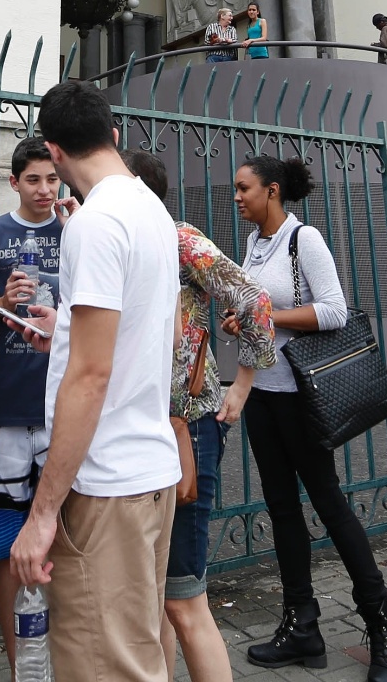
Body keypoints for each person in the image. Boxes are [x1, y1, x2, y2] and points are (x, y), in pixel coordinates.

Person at [7, 81, 181, 682]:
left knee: (104, 666)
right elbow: (142, 330)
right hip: (149, 472)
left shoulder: (95, 222)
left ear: (53, 153)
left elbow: (91, 373)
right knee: (142, 651)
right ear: (112, 134)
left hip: (106, 483)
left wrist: (42, 512)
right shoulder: (151, 210)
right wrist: (63, 333)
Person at [234, 154, 387, 682]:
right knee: (282, 509)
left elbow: (333, 310)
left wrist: (262, 315)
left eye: (244, 189)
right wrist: (242, 318)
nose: (236, 197)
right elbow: (258, 312)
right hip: (262, 392)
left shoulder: (303, 239)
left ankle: (382, 624)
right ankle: (301, 625)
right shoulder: (254, 243)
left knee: (329, 504)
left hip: (302, 397)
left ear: (272, 190)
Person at [124, 149, 275, 682]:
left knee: (185, 596)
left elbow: (252, 300)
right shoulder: (125, 240)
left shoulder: (178, 238)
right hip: (140, 432)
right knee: (158, 595)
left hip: (185, 428)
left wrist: (244, 383)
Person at [0, 137, 64, 672]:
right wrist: (2, 302)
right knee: (9, 549)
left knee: (62, 544)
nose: (45, 190)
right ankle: (19, 665)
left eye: (53, 179)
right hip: (2, 413)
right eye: (34, 179)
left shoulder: (76, 231)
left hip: (58, 411)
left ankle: (64, 657)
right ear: (13, 182)